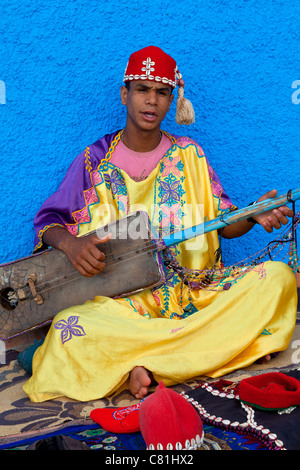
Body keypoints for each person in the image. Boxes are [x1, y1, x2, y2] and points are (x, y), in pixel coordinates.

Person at [23, 46, 297, 402]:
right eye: (142, 89)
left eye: (162, 92)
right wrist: (72, 245)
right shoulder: (94, 161)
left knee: (278, 280)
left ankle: (138, 361)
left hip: (197, 294)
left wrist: (252, 213)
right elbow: (49, 222)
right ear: (125, 94)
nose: (151, 101)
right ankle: (183, 356)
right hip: (125, 306)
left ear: (172, 100)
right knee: (70, 327)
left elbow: (222, 222)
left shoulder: (190, 155)